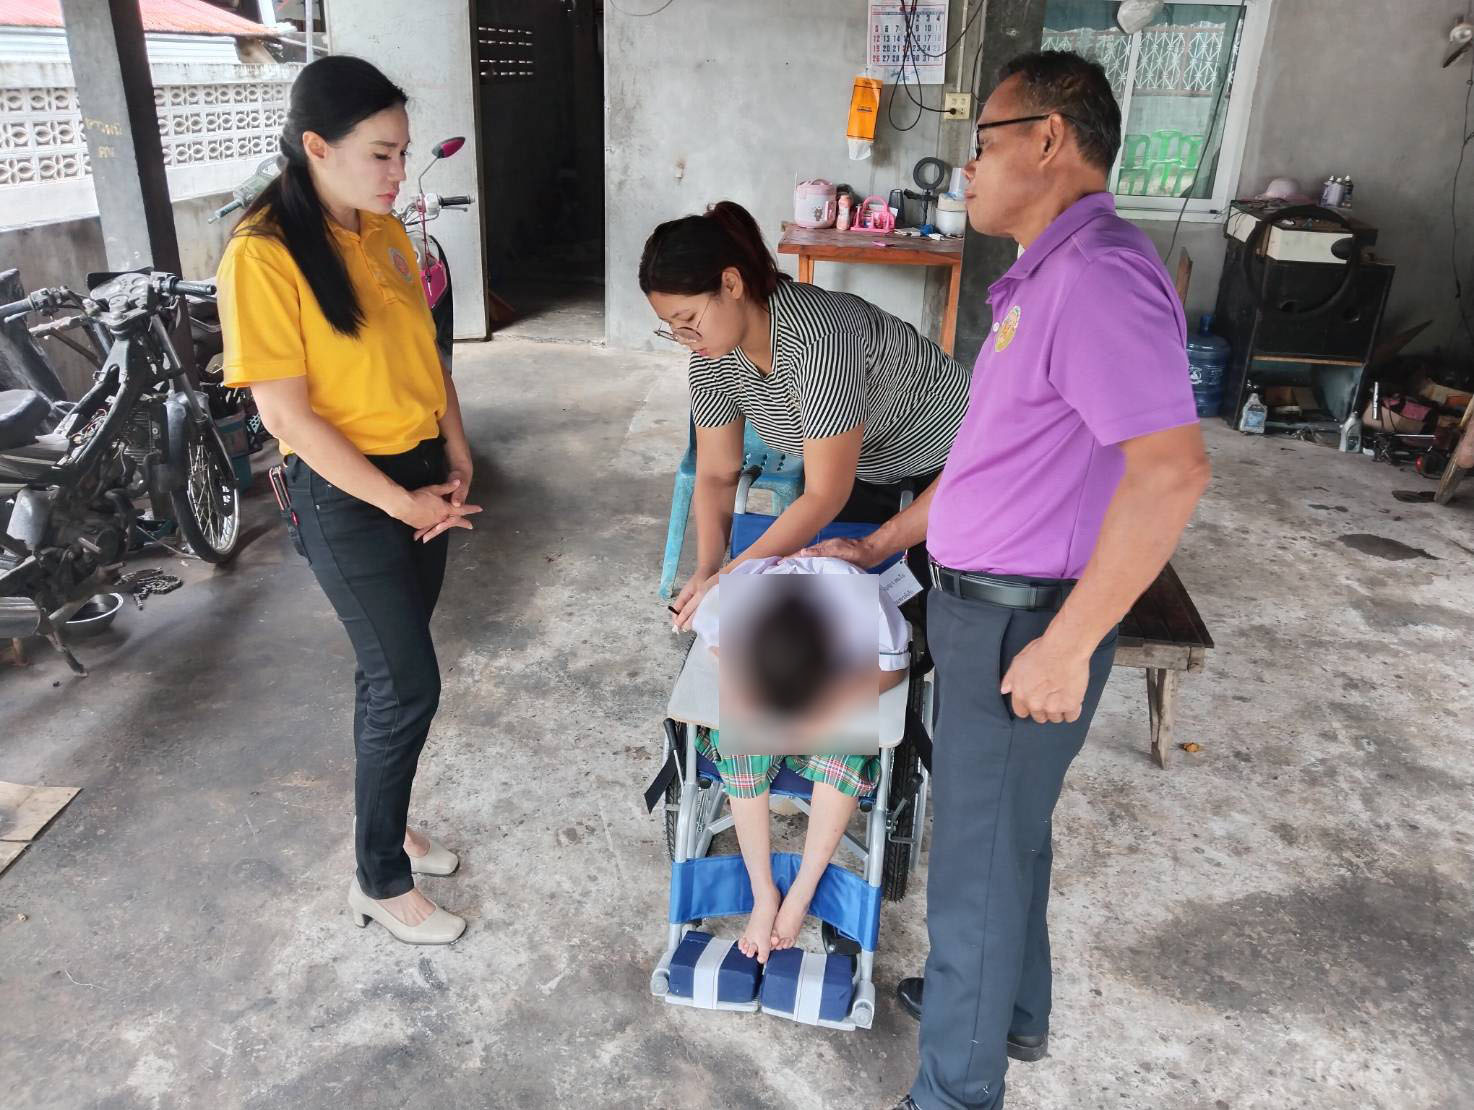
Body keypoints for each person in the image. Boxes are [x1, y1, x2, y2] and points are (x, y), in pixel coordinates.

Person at [805, 52, 1211, 1109]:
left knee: (975, 869)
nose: (967, 169)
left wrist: (1067, 646)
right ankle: (1005, 1006)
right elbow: (992, 461)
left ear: (1048, 139)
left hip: (1024, 626)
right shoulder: (1044, 276)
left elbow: (1172, 473)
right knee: (1004, 838)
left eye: (981, 143)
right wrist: (884, 542)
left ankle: (954, 1088)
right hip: (989, 609)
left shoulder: (1098, 279)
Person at [217, 56, 481, 946]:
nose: (399, 171)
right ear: (317, 147)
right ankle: (379, 877)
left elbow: (427, 353)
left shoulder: (386, 229)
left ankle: (390, 823)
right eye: (381, 154)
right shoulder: (263, 254)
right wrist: (401, 504)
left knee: (388, 677)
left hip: (421, 472)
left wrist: (454, 445)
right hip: (347, 496)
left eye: (403, 152)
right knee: (407, 685)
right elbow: (287, 416)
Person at [639, 201, 969, 630]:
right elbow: (717, 474)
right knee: (841, 616)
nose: (684, 338)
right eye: (671, 326)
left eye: (687, 319)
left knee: (928, 620)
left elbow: (824, 494)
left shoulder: (818, 340)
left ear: (731, 283)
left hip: (955, 463)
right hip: (868, 466)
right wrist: (708, 569)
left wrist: (731, 578)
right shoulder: (712, 356)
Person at [689, 555, 908, 963]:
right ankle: (763, 892)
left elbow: (893, 669)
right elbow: (718, 652)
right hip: (767, 673)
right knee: (740, 737)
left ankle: (803, 891)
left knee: (846, 745)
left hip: (842, 684)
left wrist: (827, 691)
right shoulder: (743, 598)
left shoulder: (864, 609)